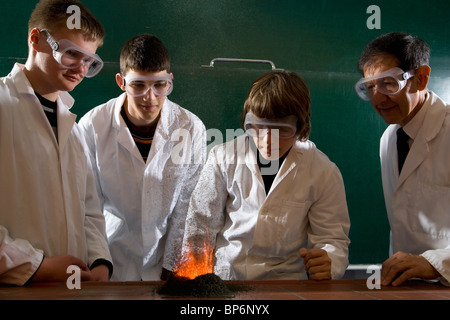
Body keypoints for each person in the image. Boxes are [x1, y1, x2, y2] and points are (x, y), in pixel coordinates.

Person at [180, 71, 350, 281]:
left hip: (286, 285)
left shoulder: (322, 171)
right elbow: (200, 223)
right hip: (227, 281)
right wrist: (194, 278)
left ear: (300, 126)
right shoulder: (223, 157)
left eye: (282, 130)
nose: (267, 139)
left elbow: (331, 238)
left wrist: (329, 260)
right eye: (258, 127)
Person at [0, 0, 112, 286]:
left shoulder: (72, 129)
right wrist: (37, 265)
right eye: (72, 53)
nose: (81, 68)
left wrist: (100, 261)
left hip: (70, 289)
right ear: (36, 40)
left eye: (89, 60)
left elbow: (88, 209)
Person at [78, 34, 206, 281]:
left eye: (160, 85)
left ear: (170, 80)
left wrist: (172, 267)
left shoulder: (190, 127)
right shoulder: (93, 125)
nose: (150, 97)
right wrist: (99, 263)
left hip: (164, 268)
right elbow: (87, 205)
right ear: (121, 81)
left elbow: (186, 206)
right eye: (138, 85)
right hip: (109, 264)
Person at [355, 32, 450, 286]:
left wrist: (436, 263)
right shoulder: (388, 139)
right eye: (370, 87)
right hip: (405, 286)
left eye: (388, 83)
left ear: (421, 78)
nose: (376, 98)